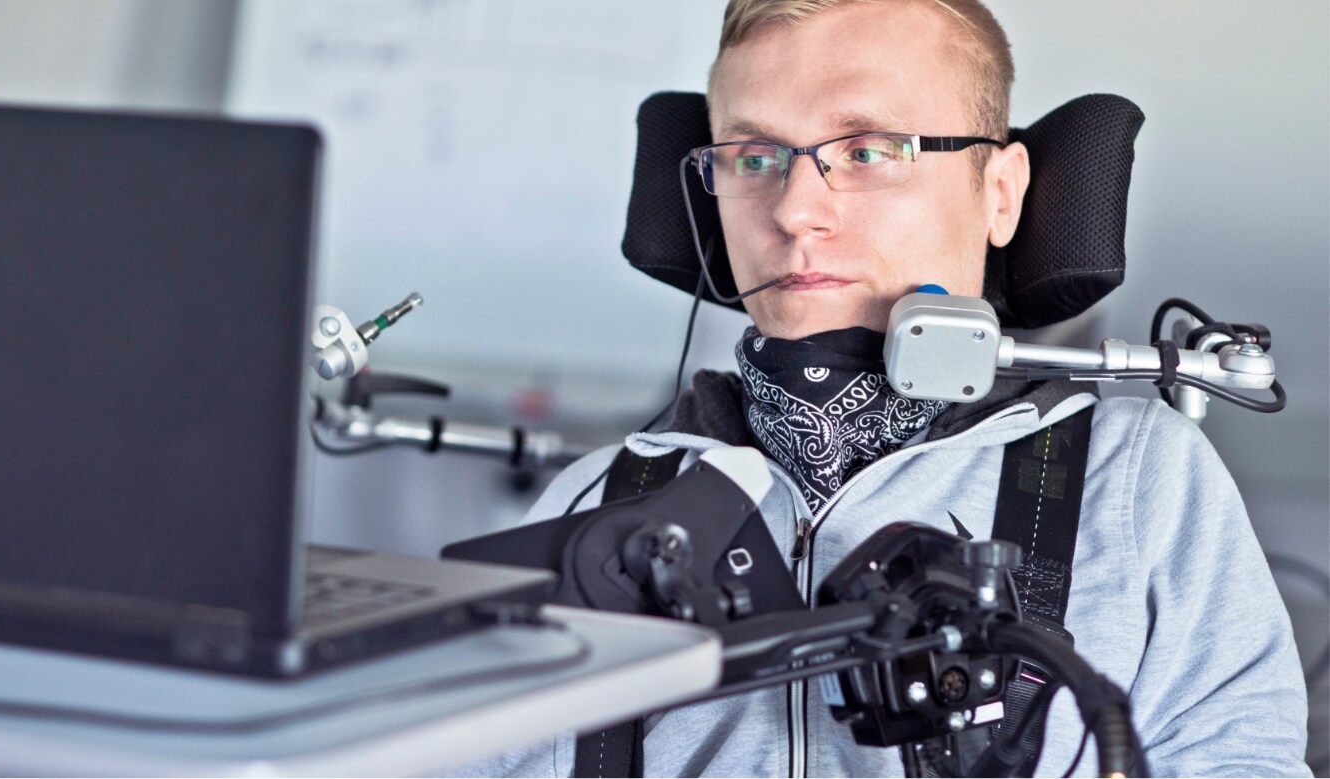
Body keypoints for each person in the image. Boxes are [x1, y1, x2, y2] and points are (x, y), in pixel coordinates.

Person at [457, 0, 1310, 775]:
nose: (793, 210)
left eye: (867, 150)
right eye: (753, 156)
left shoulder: (1136, 480)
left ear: (1000, 193)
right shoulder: (594, 501)